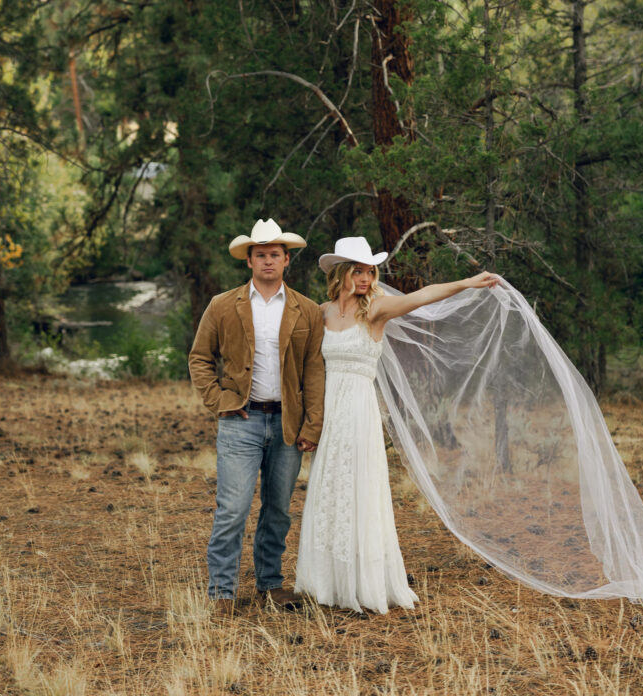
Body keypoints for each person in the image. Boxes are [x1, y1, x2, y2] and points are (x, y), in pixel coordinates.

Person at [295, 236, 499, 614]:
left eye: (370, 271)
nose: (366, 277)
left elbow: (423, 296)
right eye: (358, 270)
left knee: (359, 488)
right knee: (331, 489)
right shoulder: (321, 312)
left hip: (357, 411)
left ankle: (364, 583)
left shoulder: (376, 310)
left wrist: (467, 282)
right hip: (330, 412)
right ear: (340, 273)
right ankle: (328, 583)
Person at [189, 218, 325, 613]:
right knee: (232, 509)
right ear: (249, 261)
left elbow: (315, 370)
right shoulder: (222, 305)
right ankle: (222, 593)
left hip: (287, 423)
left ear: (286, 261)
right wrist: (219, 400)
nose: (268, 261)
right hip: (240, 421)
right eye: (261, 255)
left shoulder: (308, 311)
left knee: (278, 509)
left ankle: (270, 584)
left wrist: (312, 424)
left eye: (275, 255)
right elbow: (200, 358)